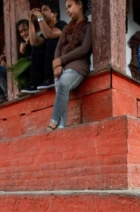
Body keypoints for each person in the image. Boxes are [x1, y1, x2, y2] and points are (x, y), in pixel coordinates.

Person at [47, 0, 92, 131]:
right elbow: (58, 48)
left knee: (63, 84)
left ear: (79, 4)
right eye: (66, 7)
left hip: (78, 66)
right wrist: (57, 65)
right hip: (62, 66)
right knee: (60, 88)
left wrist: (61, 60)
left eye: (70, 6)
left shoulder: (88, 26)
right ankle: (60, 127)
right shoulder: (66, 28)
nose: (67, 10)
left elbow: (84, 49)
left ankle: (53, 121)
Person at [23, 2, 67, 93]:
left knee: (50, 43)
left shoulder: (62, 24)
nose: (42, 12)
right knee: (36, 49)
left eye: (45, 10)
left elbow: (49, 34)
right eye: (41, 10)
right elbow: (34, 43)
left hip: (63, 63)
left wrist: (39, 16)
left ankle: (50, 79)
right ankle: (34, 83)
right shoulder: (45, 31)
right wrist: (30, 21)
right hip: (51, 64)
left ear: (54, 14)